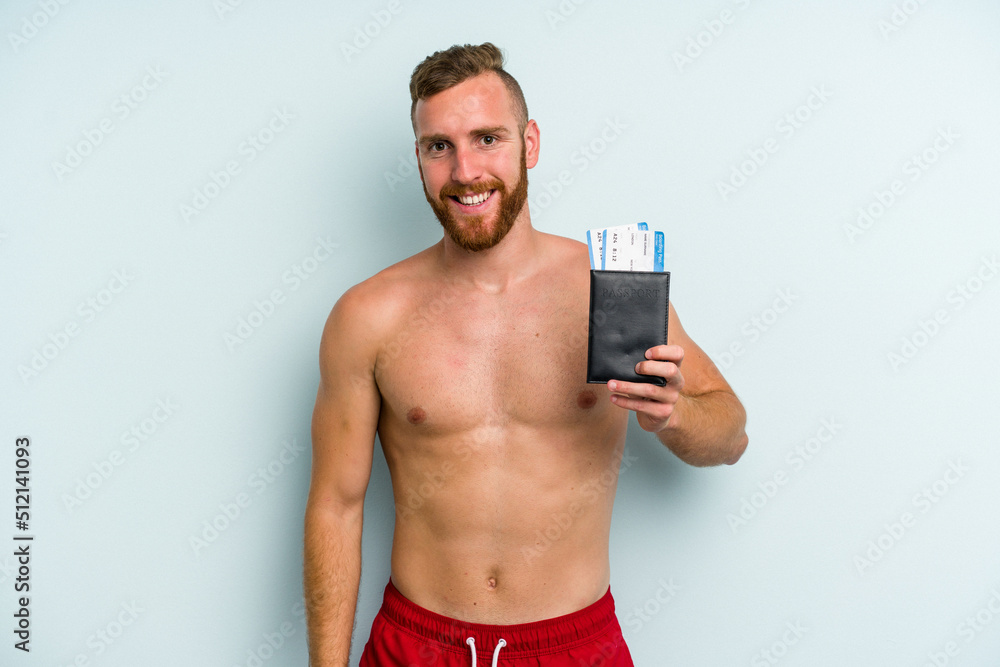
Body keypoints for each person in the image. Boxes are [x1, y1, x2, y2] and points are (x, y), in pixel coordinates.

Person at [304, 42, 748, 667]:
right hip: (417, 645)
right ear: (420, 157)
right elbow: (336, 504)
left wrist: (673, 415)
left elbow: (731, 436)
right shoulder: (368, 316)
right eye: (440, 146)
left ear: (530, 143)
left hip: (573, 645)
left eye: (487, 138)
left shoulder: (608, 288)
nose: (465, 171)